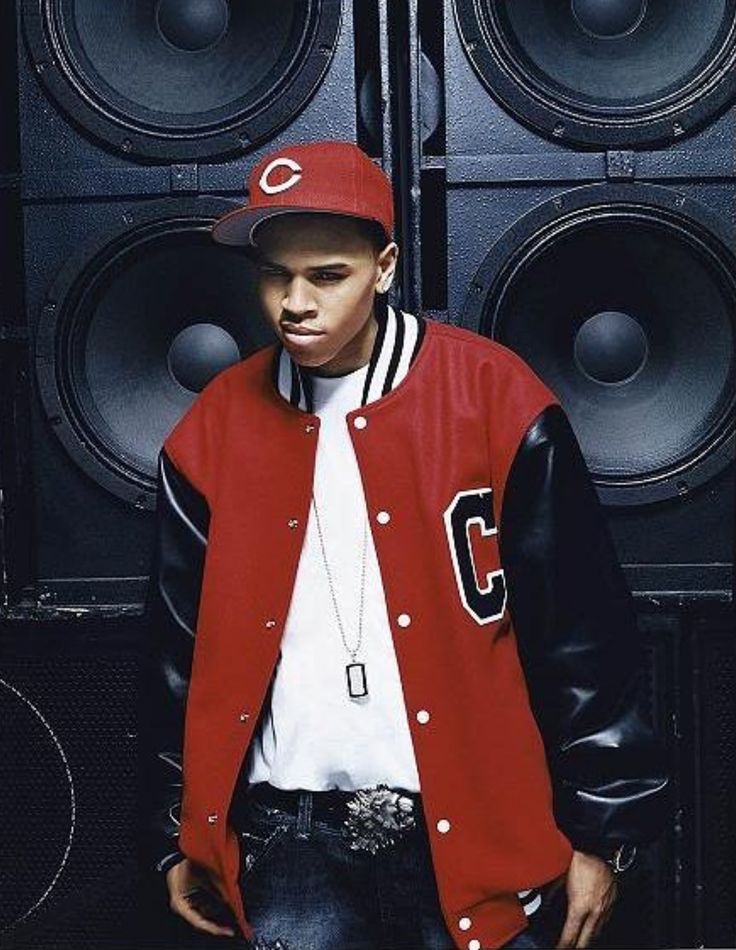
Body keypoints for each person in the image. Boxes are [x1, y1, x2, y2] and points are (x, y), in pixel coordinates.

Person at [141, 140, 670, 950]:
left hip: (472, 828)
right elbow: (174, 653)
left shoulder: (493, 397)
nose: (294, 303)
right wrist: (176, 828)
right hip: (288, 841)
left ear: (384, 265)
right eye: (275, 275)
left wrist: (605, 829)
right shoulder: (212, 426)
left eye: (327, 275)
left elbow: (584, 631)